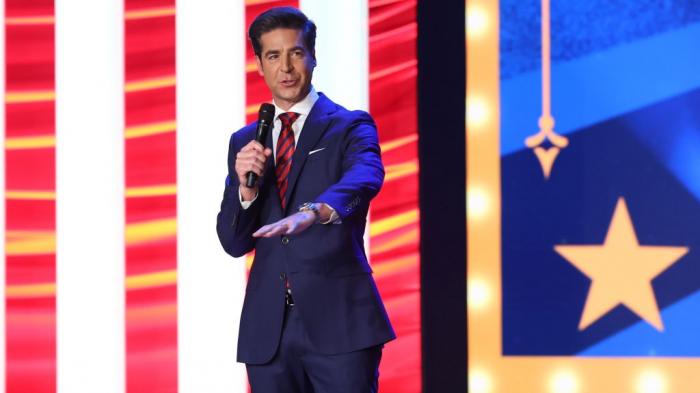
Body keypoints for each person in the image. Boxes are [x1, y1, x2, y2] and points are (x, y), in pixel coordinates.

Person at [216, 7, 395, 393]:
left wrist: (315, 212)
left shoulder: (349, 124)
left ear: (313, 56)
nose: (286, 68)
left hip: (340, 325)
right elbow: (233, 243)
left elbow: (366, 176)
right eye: (273, 56)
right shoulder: (246, 140)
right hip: (268, 332)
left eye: (296, 53)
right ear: (260, 65)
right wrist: (246, 191)